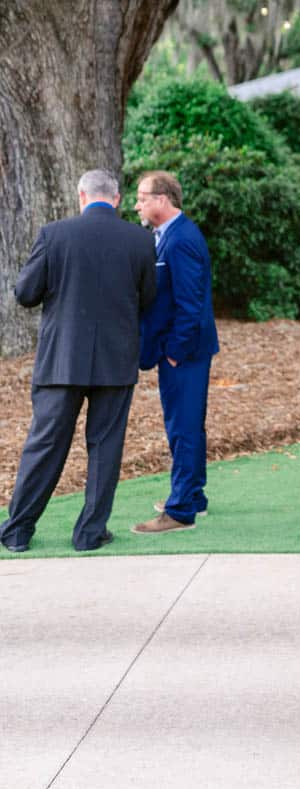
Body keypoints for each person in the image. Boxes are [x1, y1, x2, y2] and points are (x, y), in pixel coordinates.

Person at [2, 169, 157, 554]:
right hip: (115, 360)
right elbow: (148, 297)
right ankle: (89, 533)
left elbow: (25, 293)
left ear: (82, 197)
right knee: (105, 448)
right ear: (117, 199)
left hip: (61, 361)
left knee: (45, 444)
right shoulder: (140, 239)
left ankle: (19, 530)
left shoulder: (54, 234)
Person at [131, 171, 220, 535]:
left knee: (182, 428)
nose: (137, 203)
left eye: (142, 196)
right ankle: (193, 496)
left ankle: (181, 509)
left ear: (163, 200)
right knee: (188, 426)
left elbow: (191, 301)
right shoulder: (169, 235)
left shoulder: (180, 239)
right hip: (184, 351)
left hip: (185, 353)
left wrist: (174, 352)